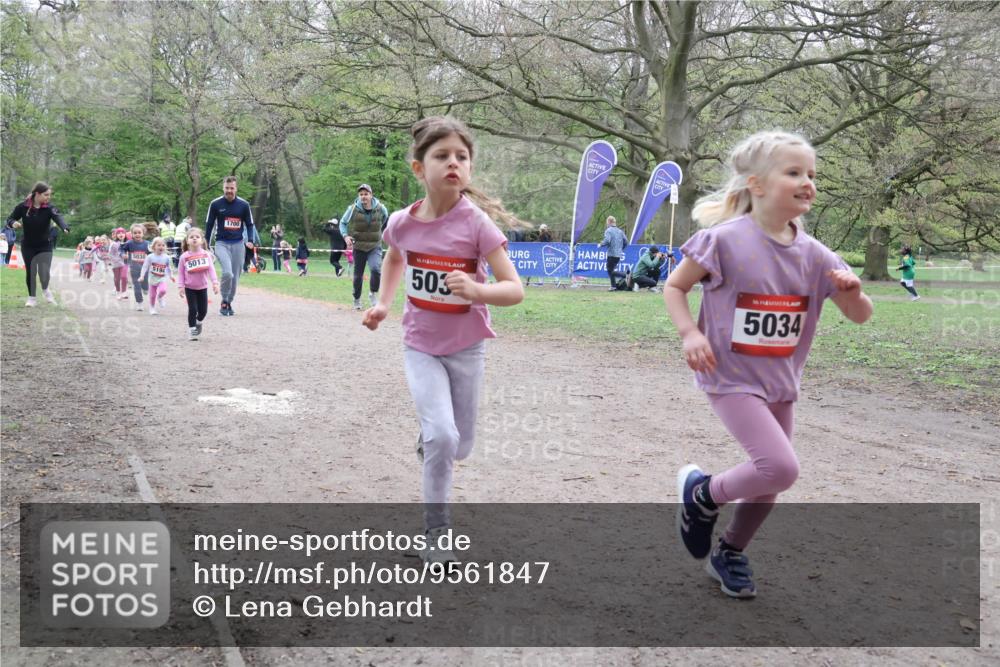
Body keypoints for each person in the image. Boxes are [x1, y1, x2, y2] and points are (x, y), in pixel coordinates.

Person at [663, 131, 872, 599]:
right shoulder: (723, 241)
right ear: (756, 184)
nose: (808, 182)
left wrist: (853, 292)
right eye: (794, 172)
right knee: (779, 467)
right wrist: (690, 333)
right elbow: (674, 288)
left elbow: (860, 316)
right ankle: (703, 494)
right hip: (730, 375)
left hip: (780, 381)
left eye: (812, 175)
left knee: (770, 479)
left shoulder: (818, 256)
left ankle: (730, 551)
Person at [362, 116, 525, 566]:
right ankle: (437, 532)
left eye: (462, 157)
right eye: (442, 156)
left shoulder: (477, 225)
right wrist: (383, 304)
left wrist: (478, 291)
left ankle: (434, 437)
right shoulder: (401, 222)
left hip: (467, 346)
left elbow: (515, 288)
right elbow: (395, 258)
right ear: (419, 168)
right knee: (441, 437)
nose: (453, 163)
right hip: (420, 344)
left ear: (469, 169)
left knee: (460, 443)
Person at [4, 182, 71, 306]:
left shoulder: (49, 208)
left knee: (44, 272)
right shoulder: (22, 207)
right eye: (46, 195)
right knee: (31, 271)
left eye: (49, 195)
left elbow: (58, 217)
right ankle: (32, 298)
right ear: (37, 194)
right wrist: (13, 223)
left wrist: (64, 227)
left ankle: (46, 290)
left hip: (45, 245)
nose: (48, 197)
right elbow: (9, 219)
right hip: (28, 245)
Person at [204, 176, 259, 316]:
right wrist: (206, 243)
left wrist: (251, 240)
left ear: (236, 188)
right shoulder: (215, 204)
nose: (229, 191)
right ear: (223, 188)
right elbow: (209, 224)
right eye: (227, 188)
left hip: (239, 244)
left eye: (232, 188)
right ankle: (223, 299)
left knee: (235, 276)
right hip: (221, 243)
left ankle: (229, 301)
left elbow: (250, 224)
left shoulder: (244, 205)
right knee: (227, 272)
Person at [340, 184, 389, 310]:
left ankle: (372, 293)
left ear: (371, 195)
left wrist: (378, 232)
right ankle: (356, 299)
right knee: (358, 276)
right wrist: (346, 236)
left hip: (374, 245)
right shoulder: (352, 209)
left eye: (366, 194)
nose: (363, 197)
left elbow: (385, 219)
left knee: (376, 269)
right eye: (361, 194)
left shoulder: (381, 208)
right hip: (359, 247)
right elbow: (343, 223)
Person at [177, 227, 219, 340]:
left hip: (203, 287)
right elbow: (180, 273)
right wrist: (180, 286)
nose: (194, 239)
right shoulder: (184, 257)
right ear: (187, 240)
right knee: (193, 309)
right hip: (190, 288)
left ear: (202, 240)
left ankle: (198, 322)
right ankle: (192, 331)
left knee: (203, 311)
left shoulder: (206, 255)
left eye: (197, 237)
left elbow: (211, 270)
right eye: (191, 237)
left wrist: (215, 283)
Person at [139, 237, 174, 315]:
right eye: (159, 245)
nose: (161, 247)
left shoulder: (167, 257)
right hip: (152, 278)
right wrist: (142, 276)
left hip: (162, 277)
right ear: (154, 246)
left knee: (163, 290)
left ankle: (160, 297)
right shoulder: (150, 257)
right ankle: (152, 307)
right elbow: (145, 266)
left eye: (163, 245)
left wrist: (171, 276)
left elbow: (169, 267)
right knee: (152, 295)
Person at [119, 224, 151, 311]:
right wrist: (122, 254)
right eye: (135, 233)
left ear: (143, 233)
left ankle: (145, 288)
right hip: (134, 269)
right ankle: (139, 303)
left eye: (139, 232)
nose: (137, 234)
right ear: (132, 234)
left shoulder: (147, 244)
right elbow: (121, 249)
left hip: (145, 269)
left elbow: (153, 252)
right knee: (136, 286)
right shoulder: (129, 243)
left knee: (145, 285)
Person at [598, 215, 628, 291]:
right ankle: (613, 286)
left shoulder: (608, 230)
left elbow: (607, 240)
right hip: (618, 254)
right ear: (614, 222)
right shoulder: (620, 231)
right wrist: (621, 249)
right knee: (611, 270)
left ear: (609, 222)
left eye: (607, 223)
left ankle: (625, 275)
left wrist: (601, 244)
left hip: (611, 254)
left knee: (610, 270)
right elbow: (626, 242)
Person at [108, 227, 130, 300]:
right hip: (116, 264)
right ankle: (118, 292)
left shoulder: (128, 243)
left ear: (125, 234)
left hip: (125, 263)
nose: (121, 234)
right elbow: (110, 254)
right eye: (119, 233)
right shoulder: (113, 244)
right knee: (117, 279)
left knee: (124, 277)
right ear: (116, 235)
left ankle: (124, 292)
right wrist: (117, 260)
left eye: (122, 233)